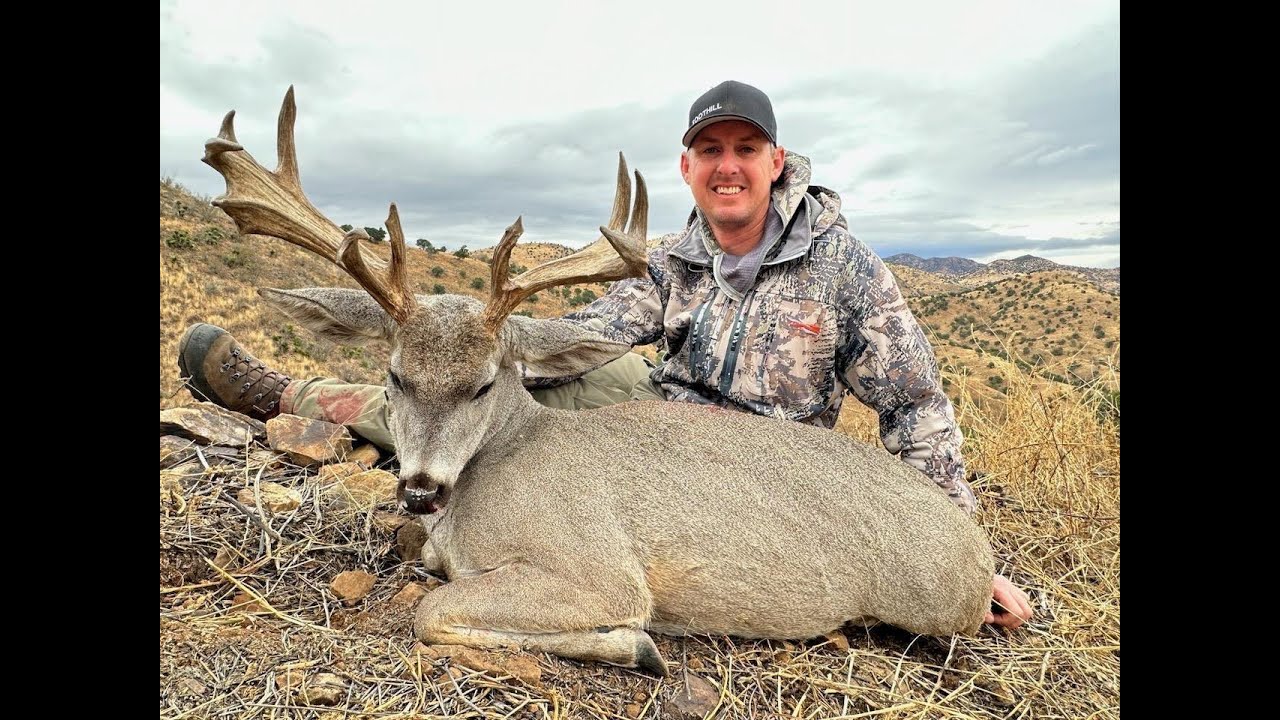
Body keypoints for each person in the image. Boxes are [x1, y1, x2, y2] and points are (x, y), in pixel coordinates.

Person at [177, 80, 1033, 629]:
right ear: (689, 167)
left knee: (488, 397)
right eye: (711, 151)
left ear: (776, 162)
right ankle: (293, 395)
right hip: (659, 423)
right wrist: (486, 335)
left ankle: (384, 422)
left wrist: (959, 541)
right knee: (478, 383)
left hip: (776, 467)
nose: (727, 166)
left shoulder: (846, 269)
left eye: (745, 150)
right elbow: (594, 333)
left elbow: (916, 403)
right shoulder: (668, 261)